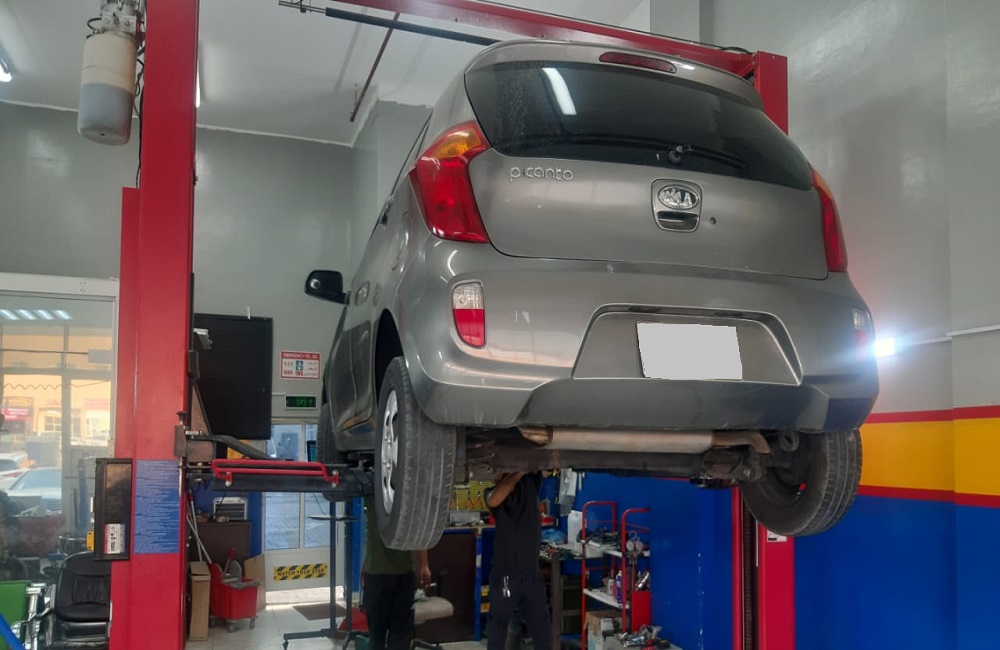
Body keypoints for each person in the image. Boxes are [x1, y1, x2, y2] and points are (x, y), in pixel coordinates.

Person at [486, 471, 552, 650]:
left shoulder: (532, 482)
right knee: (499, 625)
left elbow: (548, 469)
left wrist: (527, 468)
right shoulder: (492, 494)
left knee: (542, 628)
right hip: (506, 578)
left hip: (531, 575)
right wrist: (520, 470)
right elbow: (493, 500)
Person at [362, 496, 431, 650]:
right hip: (401, 575)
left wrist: (424, 566)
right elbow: (419, 535)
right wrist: (424, 565)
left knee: (377, 636)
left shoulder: (373, 495)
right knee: (399, 635)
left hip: (379, 575)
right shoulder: (409, 498)